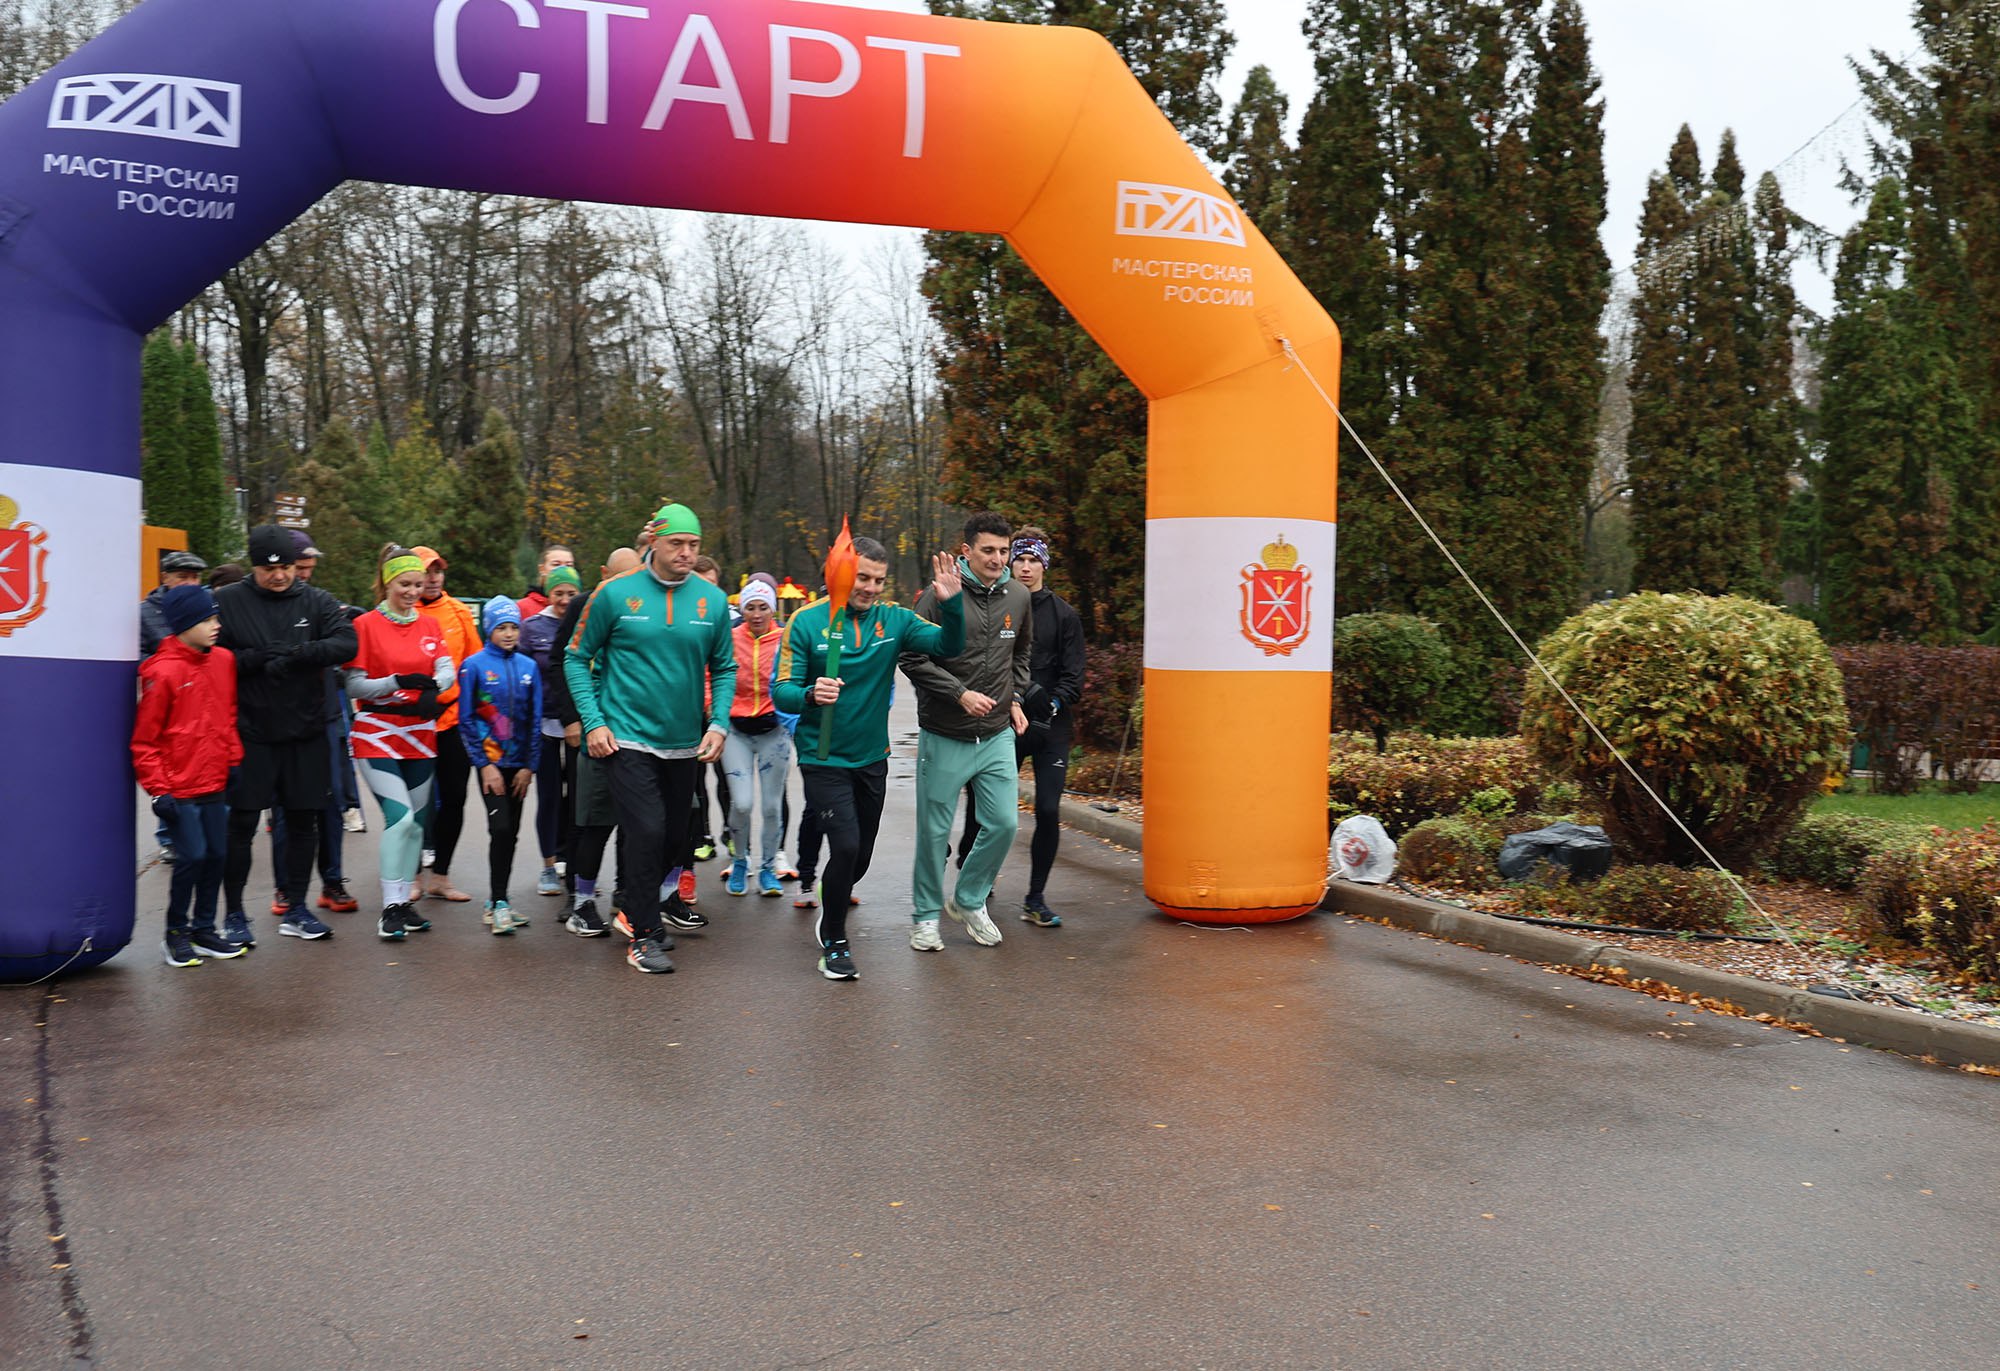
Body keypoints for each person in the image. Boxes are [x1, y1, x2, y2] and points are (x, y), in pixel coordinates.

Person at [774, 538, 964, 980]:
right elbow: (780, 689)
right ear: (840, 572)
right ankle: (835, 941)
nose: (872, 588)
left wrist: (951, 605)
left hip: (871, 758)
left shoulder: (893, 620)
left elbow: (948, 647)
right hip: (823, 758)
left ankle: (835, 892)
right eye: (863, 577)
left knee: (858, 857)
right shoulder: (805, 622)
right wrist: (808, 694)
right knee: (843, 844)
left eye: (879, 580)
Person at [564, 505, 735, 974]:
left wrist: (718, 722)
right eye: (677, 543)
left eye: (694, 545)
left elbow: (723, 667)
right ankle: (642, 934)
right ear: (654, 542)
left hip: (684, 743)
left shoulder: (712, 601)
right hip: (626, 739)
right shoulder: (614, 594)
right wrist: (594, 722)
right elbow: (576, 658)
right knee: (646, 831)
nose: (685, 552)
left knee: (675, 838)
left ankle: (641, 916)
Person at [215, 525, 357, 942]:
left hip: (305, 730)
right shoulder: (227, 601)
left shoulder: (317, 600)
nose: (278, 576)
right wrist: (256, 659)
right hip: (251, 732)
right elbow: (211, 654)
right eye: (268, 569)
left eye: (287, 568)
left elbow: (346, 643)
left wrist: (299, 654)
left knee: (303, 821)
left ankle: (296, 908)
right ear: (254, 567)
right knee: (241, 824)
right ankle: (235, 914)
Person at [899, 511, 1032, 954]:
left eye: (1004, 550)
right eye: (988, 550)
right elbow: (912, 657)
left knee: (1004, 824)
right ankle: (923, 918)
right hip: (945, 731)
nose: (999, 559)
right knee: (934, 834)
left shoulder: (1018, 596)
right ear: (966, 551)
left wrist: (1015, 698)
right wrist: (958, 694)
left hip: (995, 733)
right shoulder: (939, 595)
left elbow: (1021, 654)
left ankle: (970, 900)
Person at [954, 527, 1087, 927]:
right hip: (1002, 721)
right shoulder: (1002, 606)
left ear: (1044, 565)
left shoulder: (1064, 615)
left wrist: (1051, 701)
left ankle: (1035, 897)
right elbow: (984, 660)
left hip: (1049, 727)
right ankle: (972, 872)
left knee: (1047, 808)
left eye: (1033, 560)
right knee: (984, 809)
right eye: (1020, 560)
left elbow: (1075, 676)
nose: (1025, 567)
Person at [342, 546, 453, 940]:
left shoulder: (429, 626)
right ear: (388, 581)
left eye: (418, 585)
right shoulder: (366, 625)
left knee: (417, 825)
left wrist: (435, 687)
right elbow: (353, 684)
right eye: (404, 584)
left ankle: (405, 904)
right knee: (400, 818)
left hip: (420, 734)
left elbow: (445, 669)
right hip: (376, 732)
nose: (411, 591)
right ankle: (389, 908)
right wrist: (396, 683)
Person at [132, 583, 246, 966]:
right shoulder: (161, 673)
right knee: (192, 856)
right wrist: (159, 790)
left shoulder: (223, 661)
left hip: (215, 780)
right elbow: (145, 740)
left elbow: (227, 717)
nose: (216, 625)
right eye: (207, 619)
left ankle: (204, 930)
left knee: (217, 854)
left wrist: (233, 761)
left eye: (216, 617)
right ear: (183, 623)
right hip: (179, 787)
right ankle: (175, 933)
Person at [548, 545, 642, 937]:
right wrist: (573, 719)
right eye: (617, 578)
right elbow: (561, 660)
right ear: (604, 574)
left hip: (636, 730)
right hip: (592, 728)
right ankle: (578, 898)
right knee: (588, 818)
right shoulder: (586, 604)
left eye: (632, 577)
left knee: (634, 821)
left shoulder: (644, 605)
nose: (625, 586)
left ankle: (626, 894)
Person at [266, 530, 361, 917]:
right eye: (296, 567)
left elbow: (346, 639)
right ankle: (286, 890)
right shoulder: (262, 606)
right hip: (279, 721)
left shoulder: (321, 604)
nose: (303, 574)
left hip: (326, 718)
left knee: (331, 804)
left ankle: (332, 882)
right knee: (285, 808)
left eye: (308, 567)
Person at [460, 596, 543, 934]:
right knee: (501, 829)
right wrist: (483, 764)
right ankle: (498, 903)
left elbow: (535, 720)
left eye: (513, 627)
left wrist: (529, 766)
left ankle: (499, 900)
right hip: (491, 765)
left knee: (512, 834)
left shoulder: (529, 667)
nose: (508, 634)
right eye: (501, 628)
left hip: (519, 767)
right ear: (489, 629)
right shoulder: (474, 666)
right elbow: (466, 719)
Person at [411, 546, 481, 902]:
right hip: (412, 722)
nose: (434, 577)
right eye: (427, 571)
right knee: (413, 803)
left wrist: (479, 720)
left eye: (438, 570)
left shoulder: (458, 612)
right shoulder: (401, 612)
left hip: (452, 722)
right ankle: (410, 878)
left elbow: (475, 666)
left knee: (454, 798)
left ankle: (440, 876)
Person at [722, 577, 792, 898]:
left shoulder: (785, 639)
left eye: (763, 607)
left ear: (772, 610)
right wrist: (714, 712)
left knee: (771, 807)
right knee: (742, 802)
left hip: (773, 731)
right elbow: (713, 675)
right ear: (742, 609)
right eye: (750, 607)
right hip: (736, 731)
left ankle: (767, 868)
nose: (757, 613)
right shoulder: (729, 637)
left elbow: (797, 676)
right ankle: (739, 860)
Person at [524, 564, 582, 898]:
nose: (564, 600)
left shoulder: (587, 624)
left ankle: (575, 868)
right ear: (549, 594)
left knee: (578, 800)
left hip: (579, 724)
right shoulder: (532, 627)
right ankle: (548, 867)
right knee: (548, 798)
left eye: (571, 594)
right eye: (558, 593)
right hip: (544, 724)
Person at [141, 549, 208, 657]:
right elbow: (136, 655)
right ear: (165, 578)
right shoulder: (143, 613)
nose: (190, 583)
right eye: (182, 577)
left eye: (195, 577)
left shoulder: (208, 609)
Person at [517, 544, 577, 617]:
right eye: (556, 564)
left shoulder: (581, 605)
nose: (562, 569)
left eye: (569, 565)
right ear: (542, 569)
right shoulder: (523, 607)